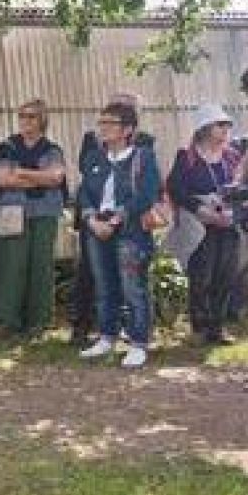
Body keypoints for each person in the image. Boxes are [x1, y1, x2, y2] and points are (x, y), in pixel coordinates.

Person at [68, 92, 155, 346]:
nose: (103, 128)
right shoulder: (96, 155)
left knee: (132, 288)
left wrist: (118, 218)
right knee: (103, 286)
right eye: (101, 123)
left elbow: (146, 193)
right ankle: (106, 336)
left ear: (128, 128)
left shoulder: (143, 155)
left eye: (110, 123)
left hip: (128, 228)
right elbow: (84, 191)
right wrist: (91, 219)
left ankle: (138, 341)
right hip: (96, 226)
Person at [167, 103, 241, 345]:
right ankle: (199, 327)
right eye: (221, 125)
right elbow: (176, 189)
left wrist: (232, 209)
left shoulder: (233, 156)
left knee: (225, 275)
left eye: (227, 125)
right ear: (206, 128)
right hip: (199, 228)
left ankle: (217, 328)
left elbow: (241, 188)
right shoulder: (187, 157)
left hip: (228, 225)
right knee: (202, 276)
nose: (225, 130)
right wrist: (200, 209)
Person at [0, 99, 66, 337]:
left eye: (31, 116)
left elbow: (56, 178)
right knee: (12, 265)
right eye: (22, 115)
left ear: (42, 120)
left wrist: (22, 172)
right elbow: (4, 180)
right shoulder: (8, 147)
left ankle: (39, 321)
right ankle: (9, 319)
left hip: (45, 212)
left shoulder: (52, 149)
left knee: (41, 266)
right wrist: (39, 176)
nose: (25, 120)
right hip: (13, 211)